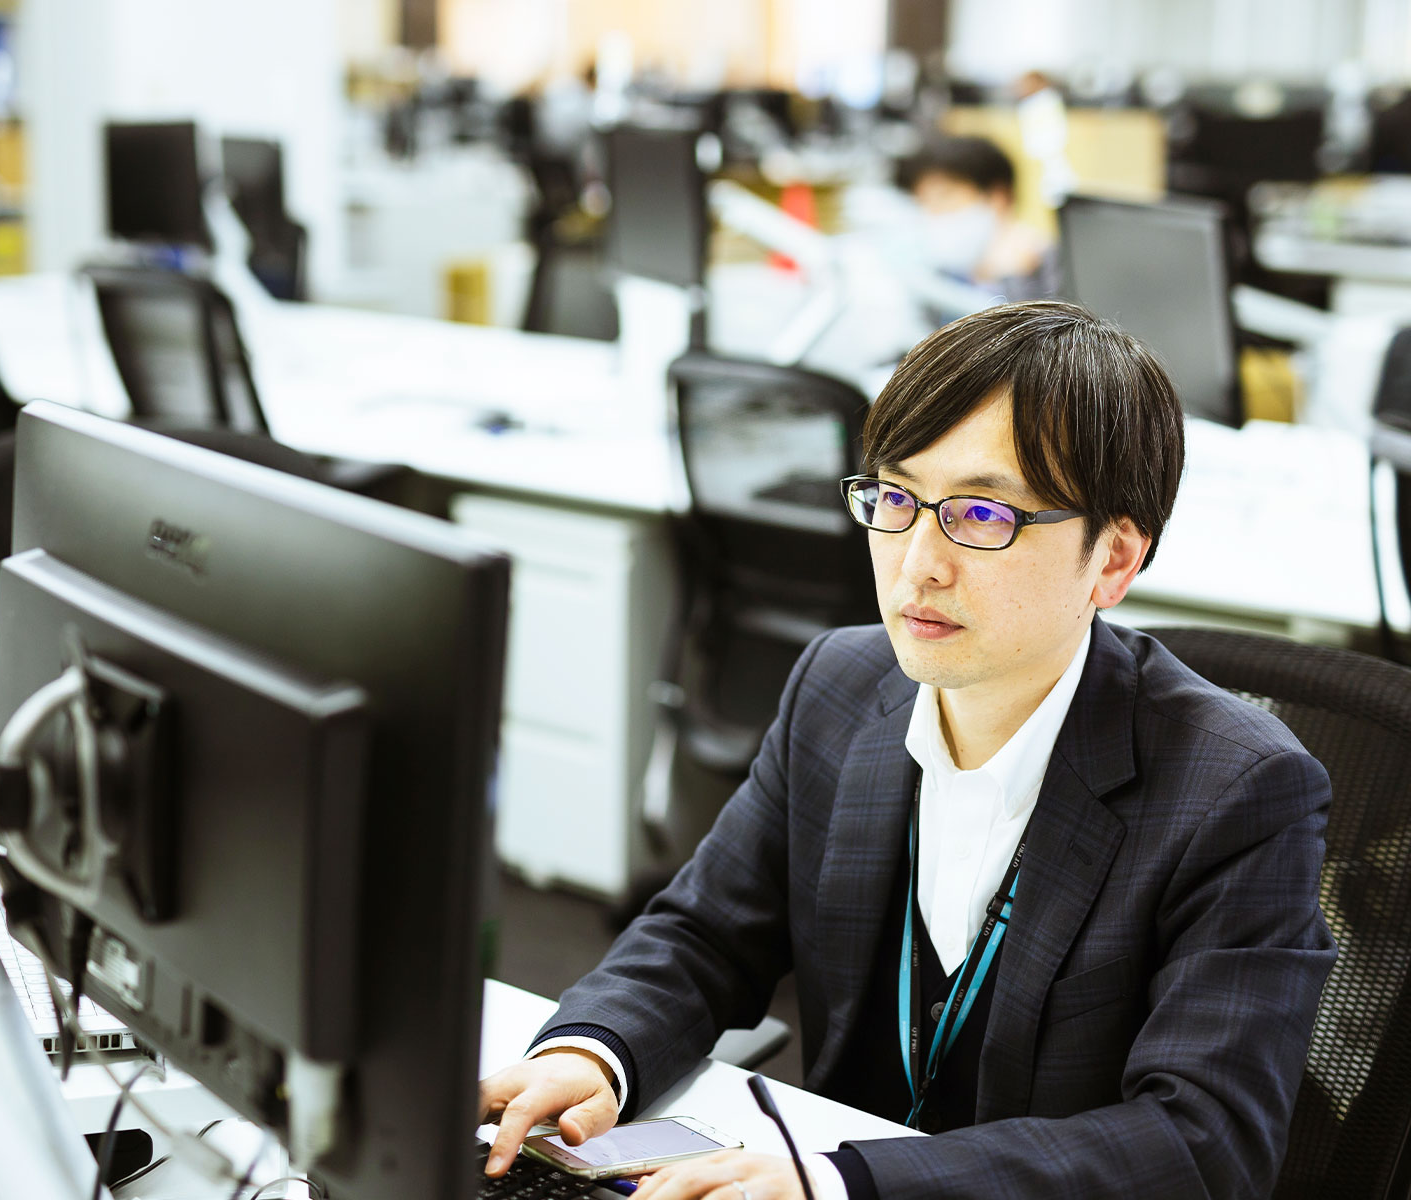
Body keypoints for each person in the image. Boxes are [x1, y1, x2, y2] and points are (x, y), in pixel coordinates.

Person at [478, 301, 1335, 1199]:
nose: (917, 562)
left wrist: (846, 1186)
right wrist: (593, 1051)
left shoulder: (1240, 791)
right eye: (894, 499)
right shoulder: (840, 687)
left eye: (981, 514)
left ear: (1113, 559)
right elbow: (706, 932)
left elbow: (1201, 1142)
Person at [897, 136, 1056, 299]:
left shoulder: (1054, 267)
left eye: (944, 197)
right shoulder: (947, 279)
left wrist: (1013, 279)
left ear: (998, 197)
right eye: (923, 202)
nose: (931, 214)